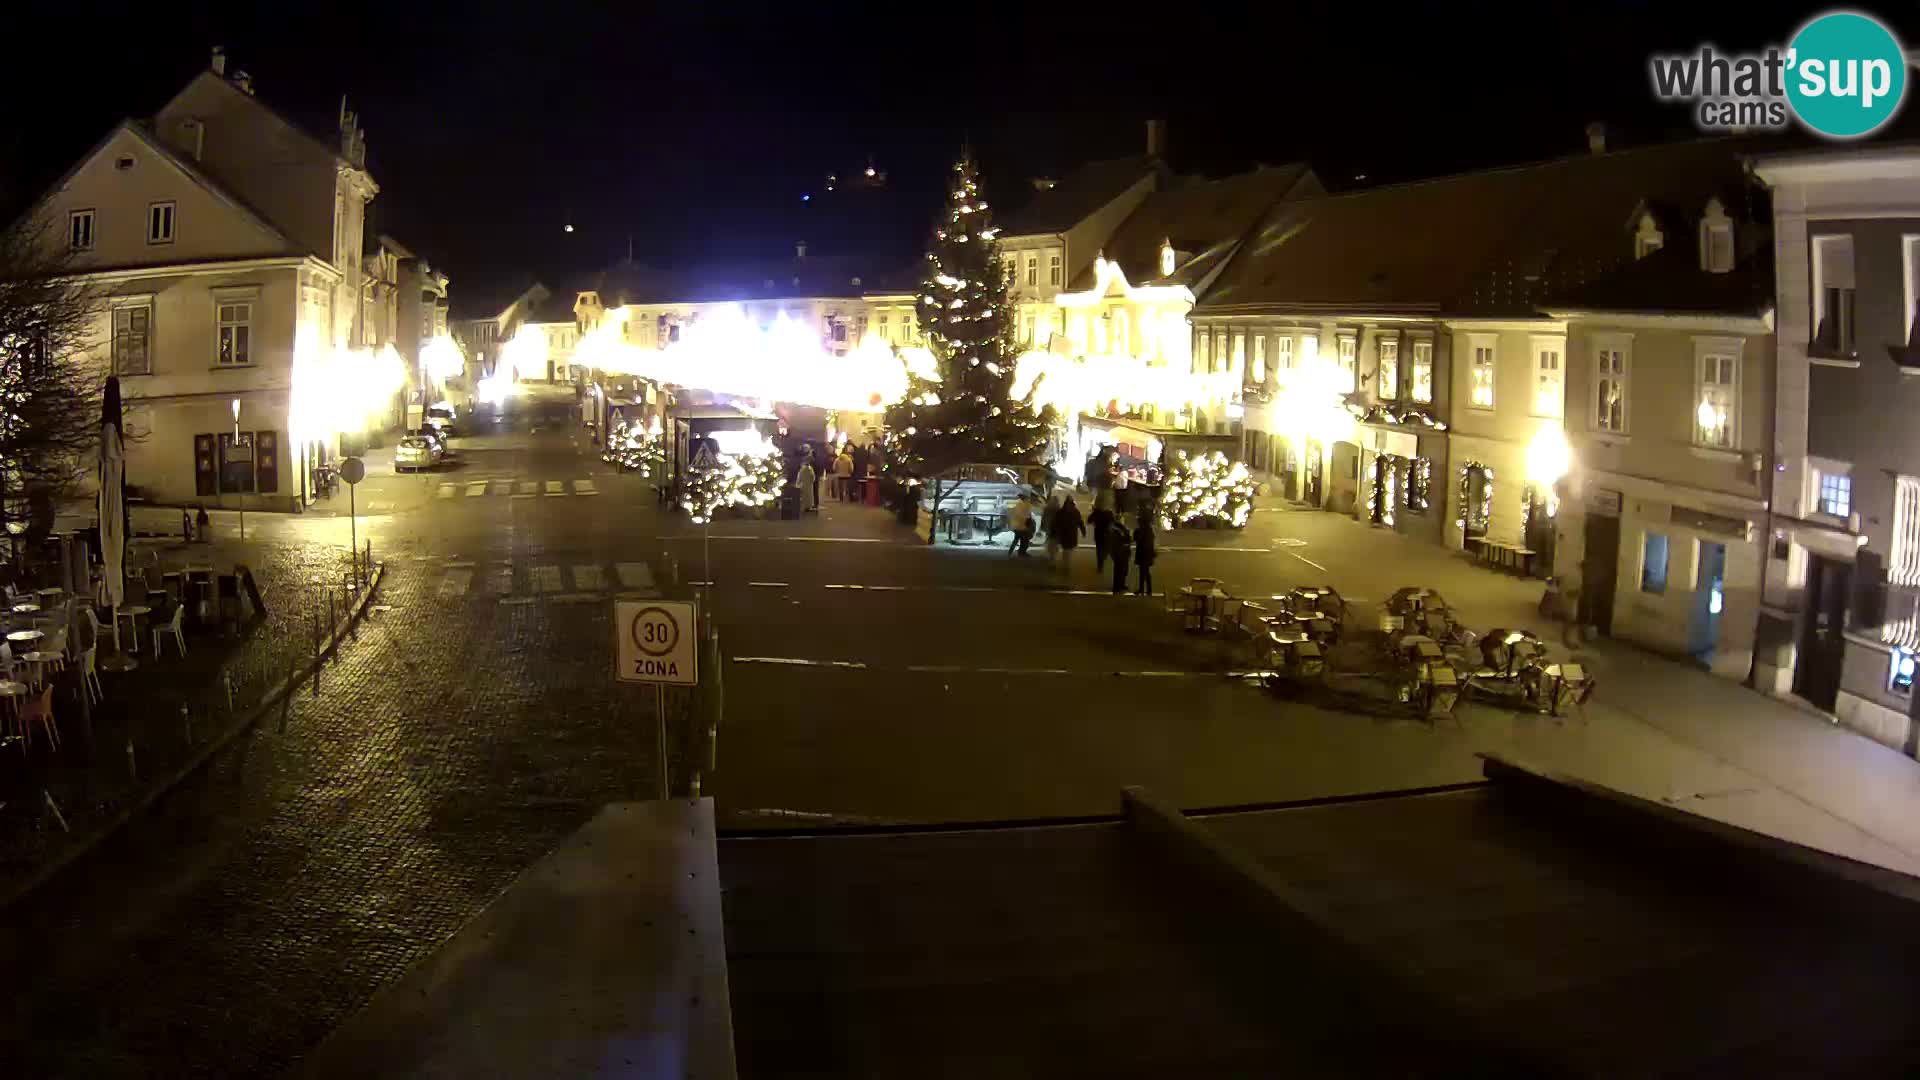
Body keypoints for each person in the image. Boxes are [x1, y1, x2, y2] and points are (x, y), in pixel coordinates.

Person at [1052, 496, 1084, 572]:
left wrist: (1056, 532)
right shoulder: (1075, 511)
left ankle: (1066, 565)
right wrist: (1083, 531)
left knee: (1066, 551)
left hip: (1065, 534)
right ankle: (1066, 566)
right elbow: (1080, 522)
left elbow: (1056, 523)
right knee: (1068, 551)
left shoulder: (1061, 511)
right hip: (1070, 534)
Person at [1088, 489, 1115, 572]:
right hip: (1106, 534)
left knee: (1099, 549)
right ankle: (1103, 559)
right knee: (1105, 548)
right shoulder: (1109, 513)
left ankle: (1100, 565)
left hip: (1098, 533)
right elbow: (1113, 523)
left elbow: (1089, 520)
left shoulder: (1096, 512)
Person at [1132, 513, 1157, 595]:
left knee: (1143, 572)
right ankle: (1146, 589)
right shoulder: (1149, 530)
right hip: (1147, 553)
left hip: (1143, 553)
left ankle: (1144, 589)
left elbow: (1136, 539)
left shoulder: (1141, 530)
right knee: (1145, 572)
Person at [1109, 516, 1134, 595]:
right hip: (1120, 551)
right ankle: (1117, 587)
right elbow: (1124, 539)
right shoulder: (1116, 529)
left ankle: (1121, 584)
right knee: (1119, 569)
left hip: (1123, 551)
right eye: (1121, 519)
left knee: (1123, 569)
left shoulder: (1121, 528)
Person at [1041, 495, 1062, 560]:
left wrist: (1043, 526)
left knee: (1050, 540)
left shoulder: (1047, 508)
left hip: (1049, 526)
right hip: (1056, 528)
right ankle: (1053, 555)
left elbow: (1044, 518)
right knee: (1055, 541)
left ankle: (1050, 554)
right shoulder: (1058, 508)